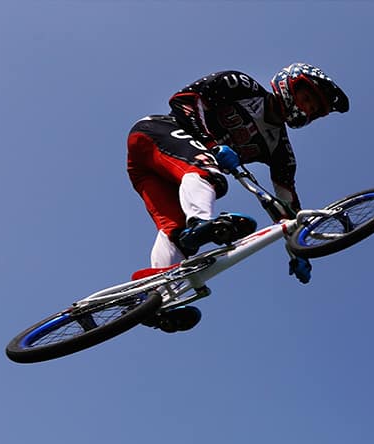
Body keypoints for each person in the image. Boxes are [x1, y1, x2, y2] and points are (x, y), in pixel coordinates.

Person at [126, 63, 349, 331]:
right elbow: (184, 101)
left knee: (175, 231)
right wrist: (212, 145)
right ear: (290, 84)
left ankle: (154, 298)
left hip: (157, 171)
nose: (307, 108)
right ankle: (200, 223)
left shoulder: (281, 151)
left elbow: (287, 205)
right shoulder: (239, 84)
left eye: (315, 109)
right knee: (210, 172)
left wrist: (297, 248)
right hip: (155, 133)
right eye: (308, 98)